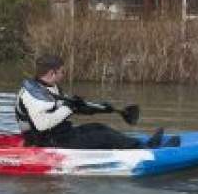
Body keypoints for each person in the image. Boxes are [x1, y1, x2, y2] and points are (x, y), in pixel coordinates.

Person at [15, 54, 175, 149]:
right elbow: (42, 125)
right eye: (62, 72)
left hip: (60, 134)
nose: (64, 74)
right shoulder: (32, 94)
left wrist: (98, 108)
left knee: (99, 127)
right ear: (51, 73)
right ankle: (148, 151)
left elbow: (67, 108)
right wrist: (69, 108)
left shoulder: (50, 86)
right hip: (47, 142)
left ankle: (143, 145)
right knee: (104, 137)